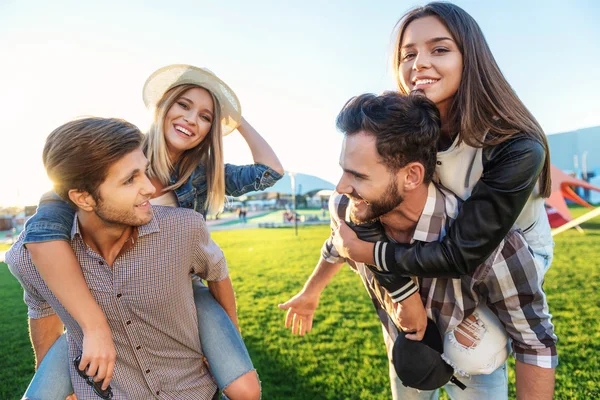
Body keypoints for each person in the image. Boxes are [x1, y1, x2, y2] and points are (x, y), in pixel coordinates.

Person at [20, 65, 283, 399]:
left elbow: (271, 172)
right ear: (162, 107)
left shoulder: (203, 174)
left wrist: (235, 118)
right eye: (184, 105)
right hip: (104, 288)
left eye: (205, 117)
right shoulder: (114, 156)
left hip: (176, 291)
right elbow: (43, 232)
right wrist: (91, 324)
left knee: (243, 387)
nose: (192, 120)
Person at [279, 92, 557, 399]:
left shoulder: (493, 248)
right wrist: (310, 293)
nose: (341, 187)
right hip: (405, 355)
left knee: (473, 358)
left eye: (358, 175)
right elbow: (337, 247)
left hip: (475, 361)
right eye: (343, 170)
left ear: (412, 175)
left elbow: (535, 342)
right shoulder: (348, 210)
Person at [336, 2, 555, 333]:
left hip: (509, 255)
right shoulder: (407, 132)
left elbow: (463, 254)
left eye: (439, 49)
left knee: (473, 355)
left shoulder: (517, 146)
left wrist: (372, 253)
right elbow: (363, 207)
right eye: (408, 55)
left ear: (471, 57)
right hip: (434, 241)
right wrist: (405, 296)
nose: (419, 63)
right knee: (415, 343)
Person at [8, 117, 237, 399]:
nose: (150, 188)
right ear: (84, 199)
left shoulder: (184, 228)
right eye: (130, 179)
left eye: (144, 171)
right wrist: (58, 384)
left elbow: (217, 276)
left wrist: (227, 347)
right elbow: (41, 308)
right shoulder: (29, 258)